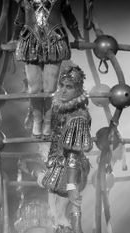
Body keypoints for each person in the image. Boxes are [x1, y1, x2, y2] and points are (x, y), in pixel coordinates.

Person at [12, 0, 83, 137]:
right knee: (34, 89)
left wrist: (78, 36)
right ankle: (37, 121)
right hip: (30, 41)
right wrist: (14, 39)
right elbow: (19, 20)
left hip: (55, 40)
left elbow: (69, 17)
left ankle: (48, 122)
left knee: (50, 88)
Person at [40, 62, 92, 233]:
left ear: (78, 90)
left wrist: (71, 185)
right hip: (57, 165)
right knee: (54, 216)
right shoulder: (60, 108)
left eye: (68, 87)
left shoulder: (79, 117)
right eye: (61, 85)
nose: (62, 90)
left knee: (62, 216)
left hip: (69, 171)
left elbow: (73, 155)